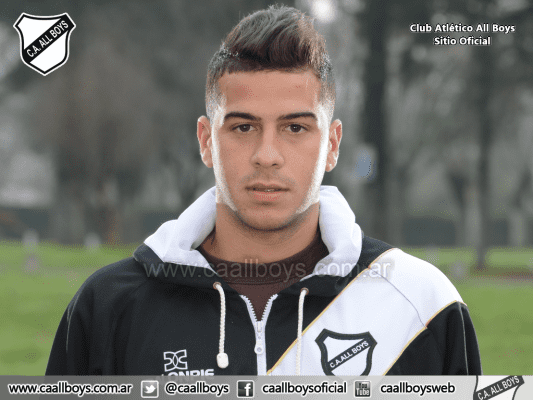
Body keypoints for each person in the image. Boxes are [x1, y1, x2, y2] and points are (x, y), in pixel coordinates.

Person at [46, 5, 482, 376]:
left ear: (332, 145)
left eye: (295, 128)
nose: (267, 155)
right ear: (206, 141)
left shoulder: (422, 306)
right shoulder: (109, 308)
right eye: (243, 127)